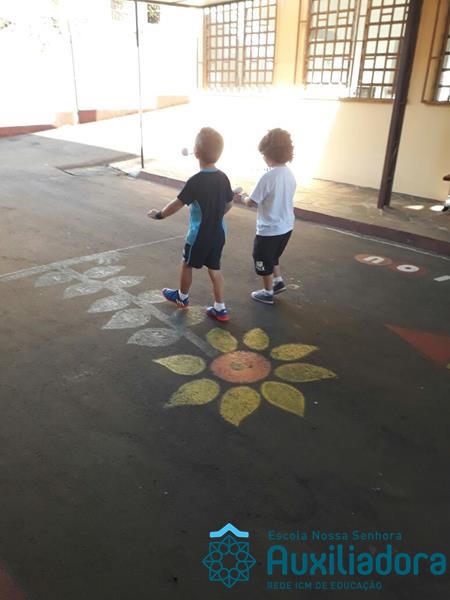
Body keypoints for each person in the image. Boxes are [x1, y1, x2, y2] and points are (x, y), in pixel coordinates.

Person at [148, 127, 233, 322]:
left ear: (196, 152)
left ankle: (182, 296)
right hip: (219, 232)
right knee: (215, 269)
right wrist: (216, 214)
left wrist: (160, 215)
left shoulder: (195, 181)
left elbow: (177, 204)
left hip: (199, 235)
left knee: (187, 264)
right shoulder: (223, 177)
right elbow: (229, 204)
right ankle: (220, 308)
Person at [237, 128, 296, 305]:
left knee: (262, 258)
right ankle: (278, 282)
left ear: (268, 154)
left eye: (263, 153)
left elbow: (251, 202)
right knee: (273, 256)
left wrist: (242, 195)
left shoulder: (268, 177)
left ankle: (267, 292)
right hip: (286, 227)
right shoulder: (289, 174)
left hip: (269, 229)